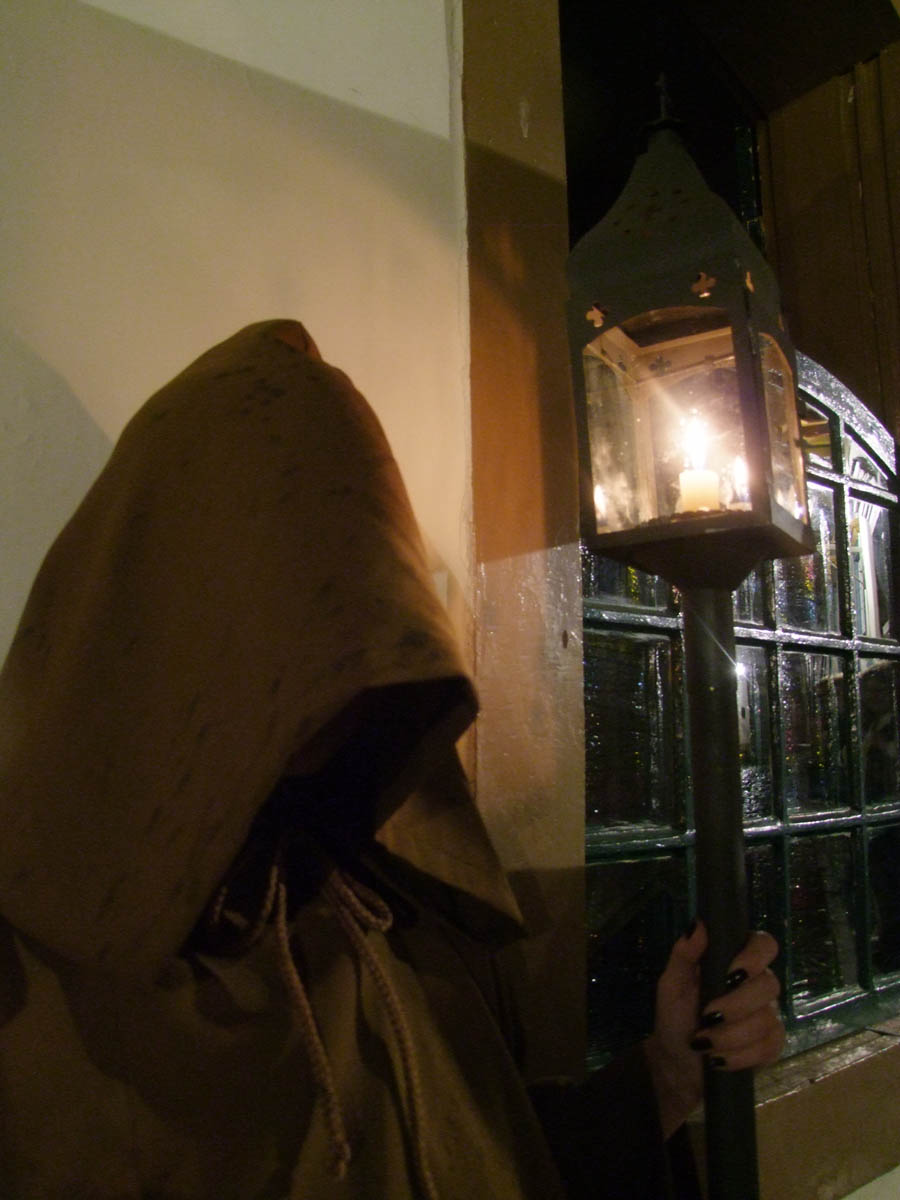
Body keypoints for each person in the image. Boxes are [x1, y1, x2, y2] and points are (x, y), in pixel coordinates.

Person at [0, 321, 782, 1198]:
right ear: (176, 611)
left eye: (356, 643)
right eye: (288, 636)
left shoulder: (405, 914)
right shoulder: (32, 987)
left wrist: (668, 1076)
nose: (328, 696)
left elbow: (499, 1160)